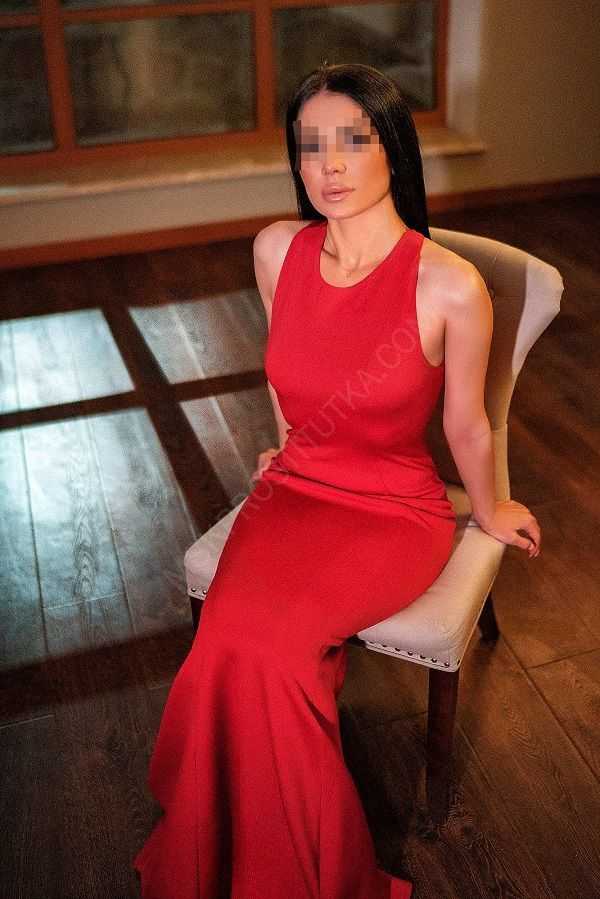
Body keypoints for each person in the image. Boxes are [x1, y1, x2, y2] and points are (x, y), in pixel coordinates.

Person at [133, 62, 541, 899]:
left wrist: (492, 507)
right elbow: (286, 368)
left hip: (391, 511)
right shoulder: (276, 249)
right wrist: (288, 444)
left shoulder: (449, 285)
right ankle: (226, 845)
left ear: (393, 146)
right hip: (298, 488)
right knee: (226, 645)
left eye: (352, 140)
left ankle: (302, 874)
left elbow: (466, 424)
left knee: (275, 658)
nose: (329, 165)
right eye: (310, 145)